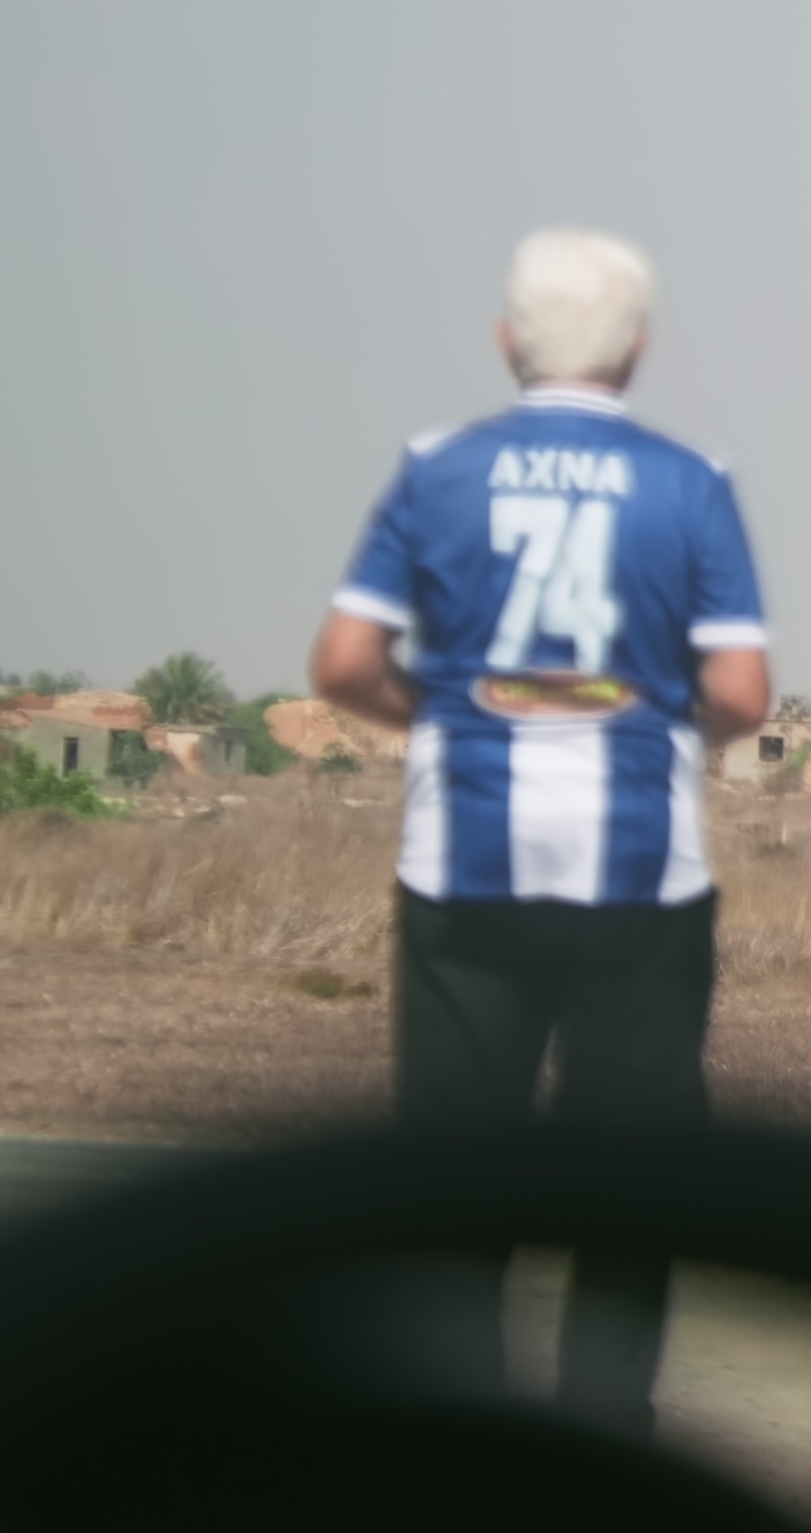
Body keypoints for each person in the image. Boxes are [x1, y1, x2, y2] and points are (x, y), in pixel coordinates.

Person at [307, 227, 772, 1430]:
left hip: (461, 863)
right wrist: (657, 739)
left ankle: (468, 1463)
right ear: (639, 349)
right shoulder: (691, 481)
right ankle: (608, 1442)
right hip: (639, 873)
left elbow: (346, 663)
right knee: (631, 1185)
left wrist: (437, 720)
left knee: (460, 1181)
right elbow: (739, 696)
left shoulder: (433, 469)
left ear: (508, 340)